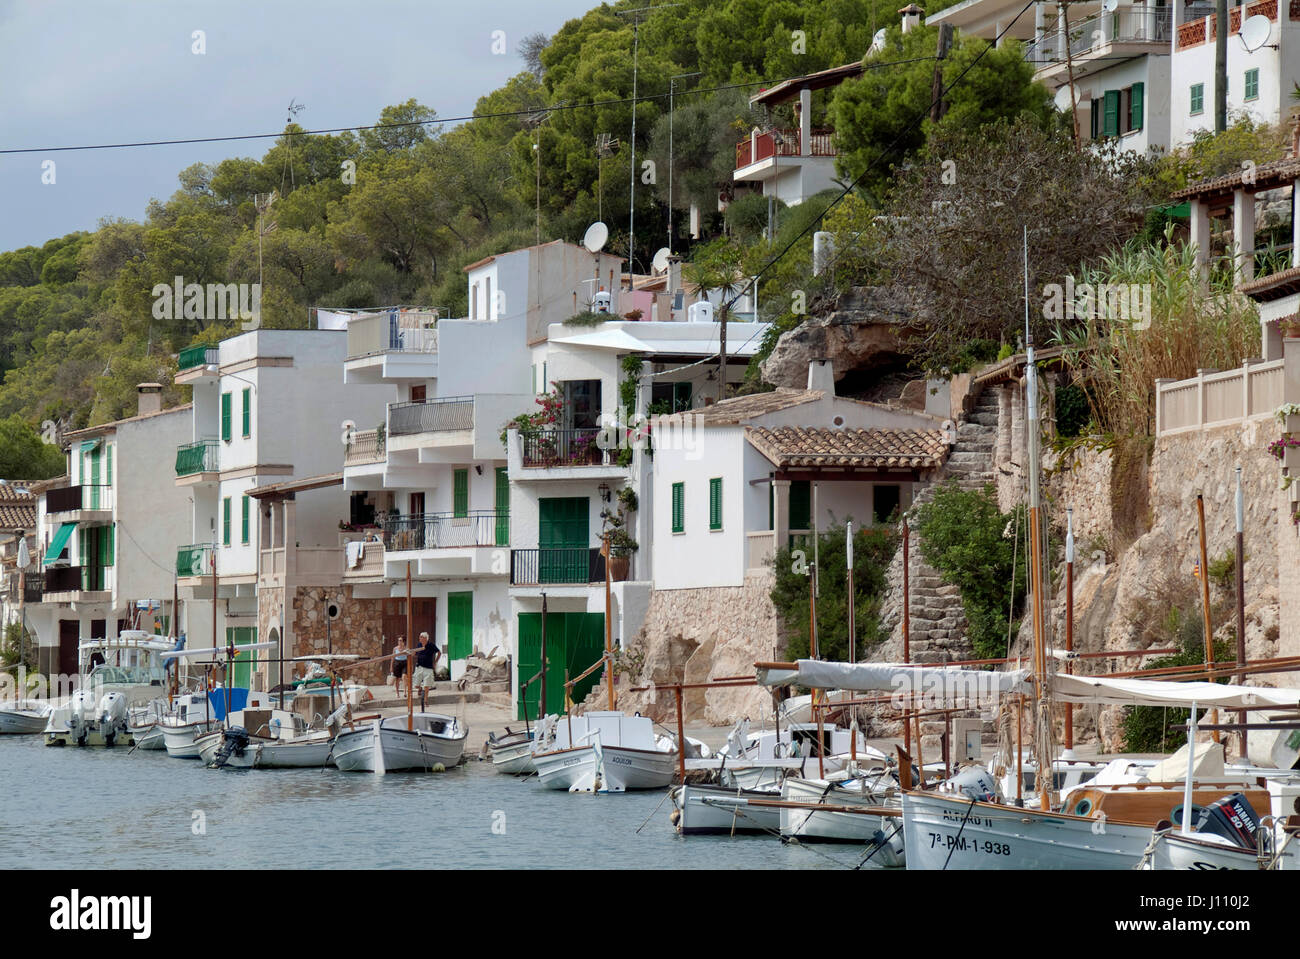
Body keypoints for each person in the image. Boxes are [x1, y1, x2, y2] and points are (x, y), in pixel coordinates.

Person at [413, 631, 440, 710]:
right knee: (416, 685)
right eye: (420, 637)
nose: (419, 638)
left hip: (428, 668)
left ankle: (426, 700)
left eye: (421, 637)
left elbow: (439, 652)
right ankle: (420, 689)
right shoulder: (419, 645)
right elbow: (415, 653)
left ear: (425, 638)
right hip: (419, 667)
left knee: (427, 685)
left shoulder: (431, 645)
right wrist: (412, 653)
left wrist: (435, 662)